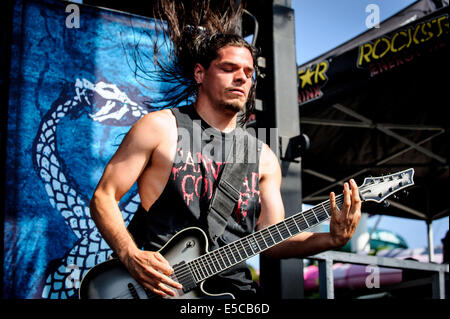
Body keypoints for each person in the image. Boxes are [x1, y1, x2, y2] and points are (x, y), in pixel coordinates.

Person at [89, 1, 362, 299]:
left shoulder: (262, 156)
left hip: (237, 295)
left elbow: (273, 241)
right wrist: (129, 254)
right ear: (200, 74)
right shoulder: (160, 128)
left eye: (248, 72)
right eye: (228, 68)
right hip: (165, 289)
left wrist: (331, 238)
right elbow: (104, 196)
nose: (242, 78)